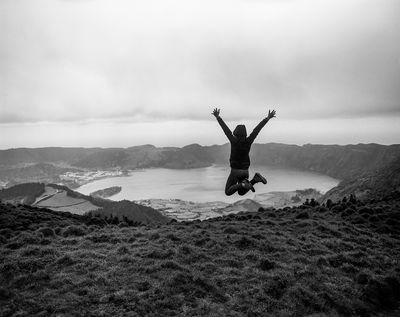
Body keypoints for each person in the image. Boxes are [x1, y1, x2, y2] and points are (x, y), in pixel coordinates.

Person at [212, 107, 276, 196]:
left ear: (236, 132)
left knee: (228, 192)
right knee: (241, 192)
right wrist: (267, 118)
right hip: (245, 171)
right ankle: (255, 179)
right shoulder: (248, 141)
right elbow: (257, 130)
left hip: (235, 171)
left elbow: (225, 130)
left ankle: (242, 184)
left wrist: (218, 117)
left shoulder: (233, 141)